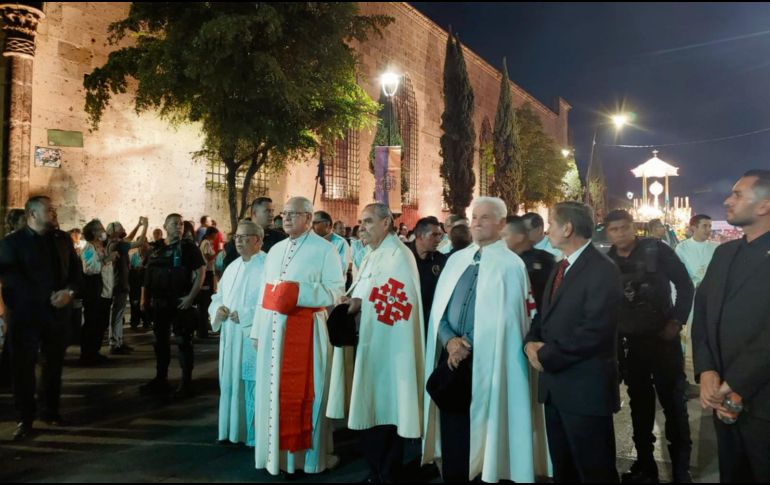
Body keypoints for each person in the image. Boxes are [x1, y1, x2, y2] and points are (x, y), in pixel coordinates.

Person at [423, 197, 546, 483]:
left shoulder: (511, 266)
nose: (477, 222)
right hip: (451, 357)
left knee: (482, 431)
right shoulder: (457, 259)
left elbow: (505, 317)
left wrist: (464, 344)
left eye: (485, 217)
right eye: (474, 216)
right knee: (453, 428)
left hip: (488, 360)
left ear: (502, 224)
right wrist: (449, 340)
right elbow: (440, 308)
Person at [524, 201, 622, 483]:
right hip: (556, 389)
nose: (548, 229)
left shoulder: (602, 269)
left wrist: (545, 356)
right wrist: (531, 341)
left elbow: (595, 331)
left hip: (585, 391)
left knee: (594, 470)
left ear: (567, 228)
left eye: (552, 223)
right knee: (563, 469)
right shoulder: (560, 266)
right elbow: (544, 316)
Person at [328, 203, 424, 483]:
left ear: (386, 223)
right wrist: (353, 301)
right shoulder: (374, 254)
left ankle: (386, 474)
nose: (362, 228)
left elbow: (398, 304)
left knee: (385, 414)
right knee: (372, 414)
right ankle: (377, 472)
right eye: (361, 222)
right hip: (369, 344)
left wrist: (360, 304)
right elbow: (366, 292)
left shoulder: (397, 256)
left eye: (368, 221)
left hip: (387, 349)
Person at [249, 196, 345, 476]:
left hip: (307, 328)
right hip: (272, 330)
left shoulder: (325, 250)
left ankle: (309, 459)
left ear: (308, 217)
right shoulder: (275, 249)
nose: (286, 218)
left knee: (309, 396)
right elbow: (264, 294)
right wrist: (257, 331)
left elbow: (336, 291)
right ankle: (276, 458)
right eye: (284, 213)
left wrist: (296, 293)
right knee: (273, 392)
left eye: (293, 214)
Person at [605, 209, 694, 483]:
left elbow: (685, 285)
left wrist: (677, 321)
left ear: (634, 227)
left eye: (624, 227)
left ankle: (681, 470)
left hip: (663, 341)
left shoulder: (658, 250)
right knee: (640, 407)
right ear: (608, 232)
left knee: (674, 405)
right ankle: (645, 465)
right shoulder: (606, 261)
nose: (620, 233)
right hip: (630, 345)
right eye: (614, 229)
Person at [693, 170, 770, 483]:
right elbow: (703, 313)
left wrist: (736, 386)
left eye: (738, 194)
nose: (727, 200)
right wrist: (707, 370)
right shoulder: (725, 253)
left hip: (761, 403)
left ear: (764, 205)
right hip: (722, 400)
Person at [0, 196, 81, 440]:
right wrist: (48, 296)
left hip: (57, 316)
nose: (54, 212)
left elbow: (76, 273)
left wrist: (69, 292)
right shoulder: (12, 243)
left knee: (53, 365)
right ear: (32, 214)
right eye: (49, 209)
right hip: (26, 316)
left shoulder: (62, 240)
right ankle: (25, 418)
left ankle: (51, 411)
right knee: (23, 368)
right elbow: (12, 281)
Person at [209, 221, 266, 447]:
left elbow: (269, 302)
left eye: (245, 237)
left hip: (251, 335)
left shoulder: (267, 265)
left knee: (251, 384)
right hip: (231, 336)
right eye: (237, 237)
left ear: (258, 240)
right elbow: (218, 296)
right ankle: (232, 431)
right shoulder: (232, 267)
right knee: (231, 383)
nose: (239, 241)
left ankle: (252, 435)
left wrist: (246, 315)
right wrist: (218, 309)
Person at [140, 213, 206, 398]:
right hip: (159, 303)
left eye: (181, 225)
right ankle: (161, 379)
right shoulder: (157, 249)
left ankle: (186, 383)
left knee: (184, 342)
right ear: (165, 226)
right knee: (160, 343)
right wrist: (144, 299)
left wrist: (191, 297)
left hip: (179, 302)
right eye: (174, 224)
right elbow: (147, 276)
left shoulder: (188, 248)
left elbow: (201, 272)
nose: (178, 227)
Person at [675, 214, 718, 383]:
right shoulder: (682, 248)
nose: (709, 230)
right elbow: (679, 276)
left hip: (711, 298)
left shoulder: (716, 247)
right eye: (705, 226)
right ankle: (686, 377)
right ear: (693, 227)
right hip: (691, 299)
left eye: (710, 226)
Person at [105, 218, 149, 354]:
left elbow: (129, 237)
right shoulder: (116, 245)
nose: (124, 229)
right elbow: (139, 242)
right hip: (119, 284)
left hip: (120, 283)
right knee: (117, 315)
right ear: (114, 232)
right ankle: (114, 343)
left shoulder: (118, 243)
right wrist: (145, 226)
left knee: (118, 314)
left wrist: (137, 225)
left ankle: (118, 341)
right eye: (121, 228)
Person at [80, 219, 117, 366]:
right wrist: (108, 259)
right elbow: (89, 268)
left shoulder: (101, 247)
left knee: (100, 324)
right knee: (92, 324)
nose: (104, 232)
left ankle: (95, 352)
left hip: (105, 292)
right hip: (94, 293)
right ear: (94, 232)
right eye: (101, 229)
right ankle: (87, 355)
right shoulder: (89, 249)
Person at [502, 215, 556, 313]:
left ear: (519, 237)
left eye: (504, 235)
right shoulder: (502, 262)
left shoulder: (545, 260)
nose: (501, 240)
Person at [406, 216, 446, 333]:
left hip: (428, 322)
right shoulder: (402, 255)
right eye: (434, 235)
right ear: (419, 235)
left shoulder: (441, 261)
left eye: (440, 235)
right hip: (404, 318)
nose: (438, 240)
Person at [223, 197, 287, 269]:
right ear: (254, 213)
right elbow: (228, 268)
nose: (272, 215)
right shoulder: (237, 240)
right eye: (268, 211)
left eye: (272, 211)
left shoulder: (280, 238)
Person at [312, 210, 352, 284]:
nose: (311, 226)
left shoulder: (340, 243)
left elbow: (340, 269)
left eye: (315, 223)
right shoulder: (311, 241)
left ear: (328, 224)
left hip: (331, 288)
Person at [197, 226, 219, 339]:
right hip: (207, 273)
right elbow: (207, 258)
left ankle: (204, 328)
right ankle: (202, 330)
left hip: (210, 273)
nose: (216, 237)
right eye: (215, 234)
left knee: (207, 301)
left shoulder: (208, 243)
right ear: (212, 234)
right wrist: (218, 252)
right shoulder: (205, 243)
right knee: (204, 302)